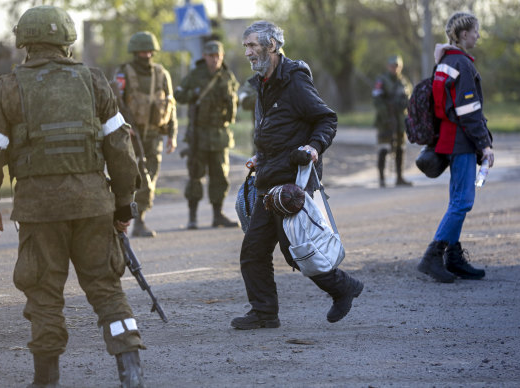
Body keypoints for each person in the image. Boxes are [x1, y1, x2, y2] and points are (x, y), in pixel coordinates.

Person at [0, 6, 146, 387]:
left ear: (24, 43)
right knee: (106, 288)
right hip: (93, 206)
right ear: (67, 41)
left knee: (44, 294)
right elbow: (120, 149)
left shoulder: (7, 88)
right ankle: (131, 372)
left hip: (39, 210)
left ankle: (46, 380)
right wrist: (122, 205)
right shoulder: (94, 81)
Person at [230, 21, 364, 330]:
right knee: (253, 252)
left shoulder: (294, 81)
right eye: (246, 46)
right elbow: (274, 130)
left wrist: (314, 147)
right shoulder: (262, 82)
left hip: (292, 184)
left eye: (253, 45)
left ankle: (344, 287)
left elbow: (326, 119)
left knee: (297, 252)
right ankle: (264, 312)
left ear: (272, 46)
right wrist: (260, 156)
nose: (248, 52)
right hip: (268, 178)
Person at [417, 11, 494, 283]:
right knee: (463, 201)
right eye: (475, 31)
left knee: (456, 201)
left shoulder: (444, 62)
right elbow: (469, 111)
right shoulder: (461, 63)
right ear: (463, 34)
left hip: (447, 140)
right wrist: (485, 146)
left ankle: (454, 257)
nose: (478, 35)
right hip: (461, 141)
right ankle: (432, 257)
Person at [113, 31, 178, 238]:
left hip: (153, 135)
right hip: (131, 135)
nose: (146, 54)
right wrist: (123, 126)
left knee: (150, 177)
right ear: (135, 52)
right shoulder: (124, 73)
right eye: (142, 51)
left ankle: (140, 219)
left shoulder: (161, 73)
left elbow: (171, 105)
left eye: (149, 50)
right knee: (130, 178)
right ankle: (124, 220)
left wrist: (172, 134)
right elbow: (114, 103)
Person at [174, 40, 240, 229]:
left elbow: (235, 96)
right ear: (204, 56)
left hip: (220, 135)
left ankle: (217, 215)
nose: (214, 60)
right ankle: (192, 217)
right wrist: (193, 94)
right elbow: (178, 95)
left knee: (220, 177)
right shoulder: (195, 75)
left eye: (217, 56)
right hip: (199, 135)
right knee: (195, 175)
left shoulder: (227, 76)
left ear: (222, 56)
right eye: (211, 56)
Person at [372, 55, 413, 187]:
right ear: (387, 66)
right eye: (392, 66)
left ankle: (399, 178)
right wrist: (386, 116)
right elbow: (377, 100)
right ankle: (382, 179)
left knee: (400, 147)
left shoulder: (404, 82)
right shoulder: (381, 81)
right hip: (385, 120)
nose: (394, 68)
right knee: (384, 148)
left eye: (397, 66)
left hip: (400, 120)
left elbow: (409, 100)